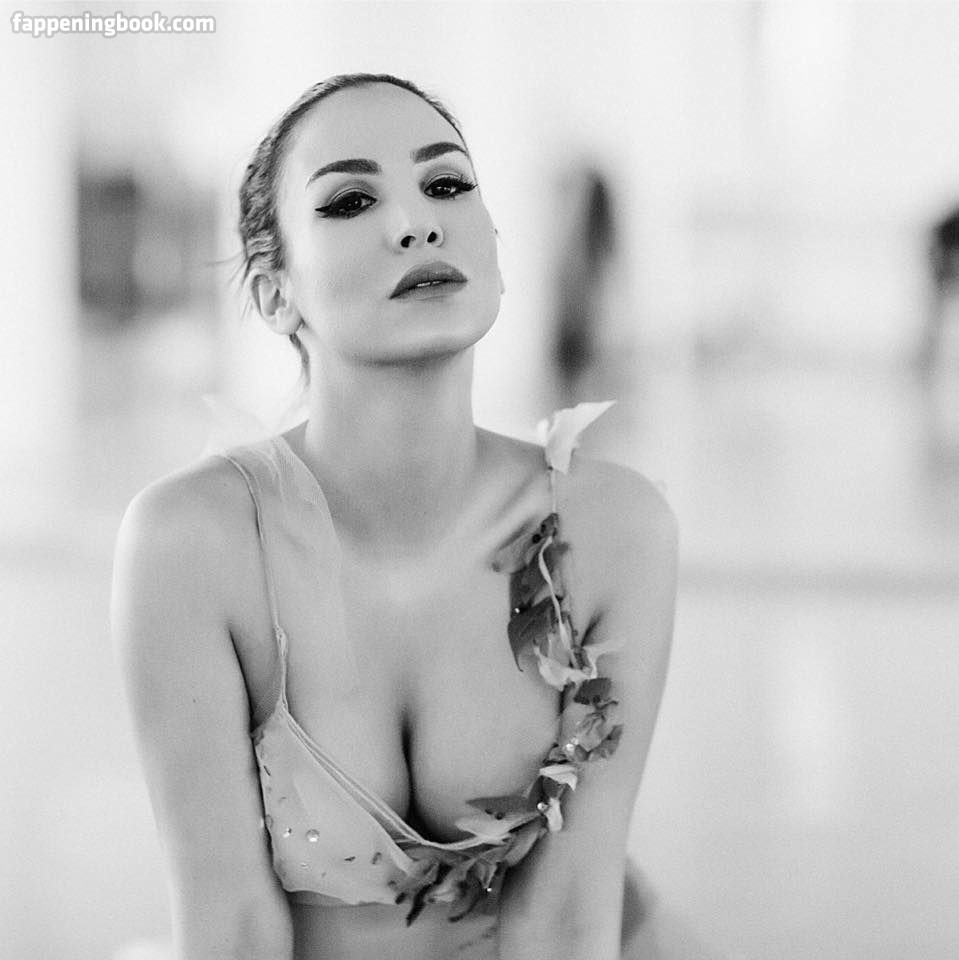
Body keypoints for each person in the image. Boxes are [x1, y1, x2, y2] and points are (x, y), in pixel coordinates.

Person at [112, 73, 679, 960]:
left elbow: (569, 919)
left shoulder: (613, 528)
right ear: (274, 293)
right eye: (349, 200)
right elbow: (231, 926)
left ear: (495, 249)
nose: (416, 223)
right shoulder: (193, 542)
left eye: (446, 184)